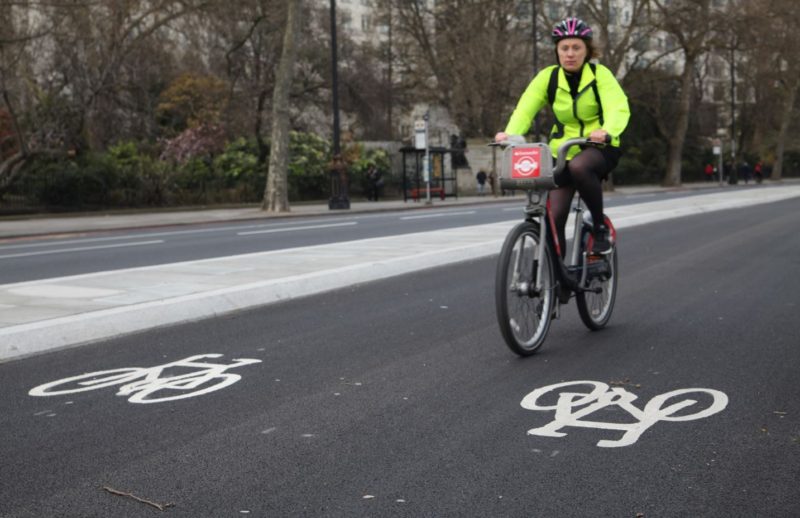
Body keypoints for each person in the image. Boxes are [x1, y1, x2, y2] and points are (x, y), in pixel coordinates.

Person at [495, 17, 630, 255]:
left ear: (587, 51)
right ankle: (559, 283)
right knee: (553, 218)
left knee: (580, 167)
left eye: (576, 48)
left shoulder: (601, 75)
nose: (570, 53)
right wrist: (510, 133)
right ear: (557, 51)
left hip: (600, 146)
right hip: (562, 150)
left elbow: (617, 107)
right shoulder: (548, 77)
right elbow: (525, 108)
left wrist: (606, 131)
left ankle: (599, 227)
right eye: (564, 48)